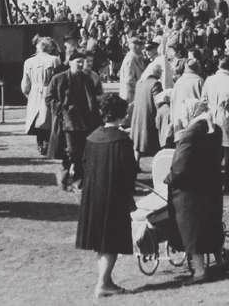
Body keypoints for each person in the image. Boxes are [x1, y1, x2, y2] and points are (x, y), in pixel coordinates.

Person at [75, 93, 136, 299]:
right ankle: (103, 283)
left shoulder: (92, 137)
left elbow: (84, 166)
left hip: (93, 196)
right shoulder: (122, 140)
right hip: (114, 196)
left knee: (102, 242)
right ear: (121, 115)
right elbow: (130, 172)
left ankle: (106, 280)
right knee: (111, 241)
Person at [165, 99, 224, 284]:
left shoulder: (191, 133)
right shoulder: (214, 129)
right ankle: (219, 258)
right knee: (209, 225)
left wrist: (170, 178)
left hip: (189, 191)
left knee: (191, 231)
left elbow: (180, 165)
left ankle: (199, 271)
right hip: (210, 186)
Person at [46, 51, 102, 190]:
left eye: (82, 62)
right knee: (70, 152)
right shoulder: (58, 79)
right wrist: (63, 109)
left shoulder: (87, 79)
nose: (81, 64)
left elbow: (94, 98)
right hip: (67, 123)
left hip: (85, 122)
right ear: (70, 62)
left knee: (82, 152)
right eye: (78, 62)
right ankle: (64, 179)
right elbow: (49, 99)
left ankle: (78, 181)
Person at [202, 55, 229, 194]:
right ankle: (228, 183)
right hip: (226, 117)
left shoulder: (209, 80)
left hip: (212, 117)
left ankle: (211, 181)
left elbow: (203, 100)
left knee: (214, 153)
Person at [21, 37, 61, 155]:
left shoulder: (28, 62)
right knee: (48, 119)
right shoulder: (54, 60)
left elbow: (25, 84)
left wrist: (28, 94)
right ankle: (47, 143)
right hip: (49, 90)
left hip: (34, 92)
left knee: (36, 119)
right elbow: (58, 79)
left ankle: (40, 144)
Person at [131, 62, 162, 169]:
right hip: (149, 116)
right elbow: (158, 101)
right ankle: (156, 168)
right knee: (154, 144)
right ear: (157, 73)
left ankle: (135, 164)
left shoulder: (140, 82)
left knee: (138, 144)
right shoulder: (156, 84)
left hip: (138, 116)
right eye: (160, 71)